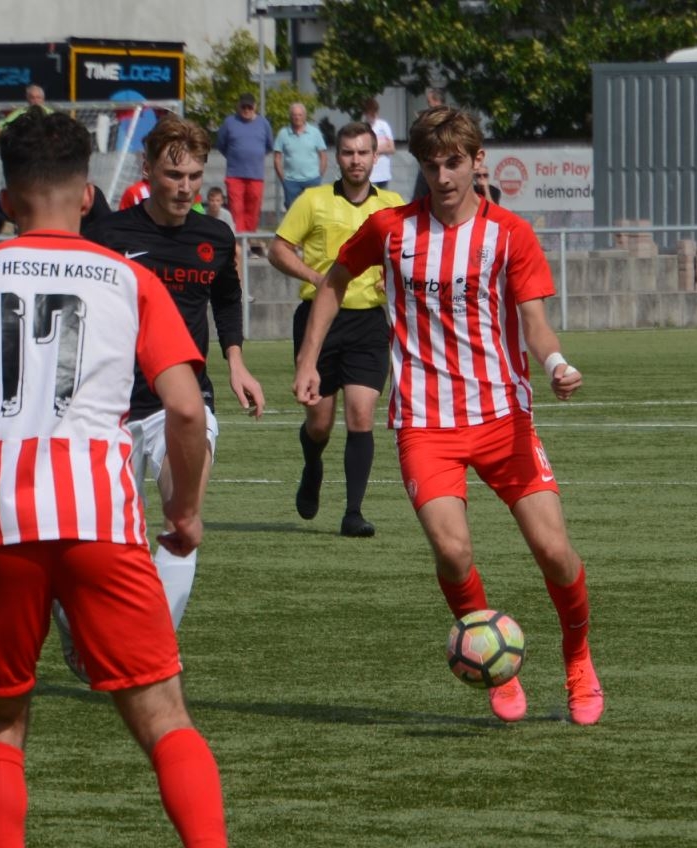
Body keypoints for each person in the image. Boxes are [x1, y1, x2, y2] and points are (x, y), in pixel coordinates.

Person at [0, 107, 228, 847]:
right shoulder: (129, 280)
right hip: (99, 513)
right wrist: (186, 508)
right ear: (86, 196)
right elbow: (181, 409)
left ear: (6, 201)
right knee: (165, 718)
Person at [292, 106, 604, 726]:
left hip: (502, 418)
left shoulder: (509, 233)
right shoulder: (390, 229)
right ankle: (493, 654)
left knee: (555, 552)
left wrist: (557, 365)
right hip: (425, 425)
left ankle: (578, 656)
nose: (444, 175)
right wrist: (307, 361)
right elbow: (332, 282)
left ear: (477, 160)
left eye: (455, 162)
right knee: (452, 553)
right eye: (432, 164)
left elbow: (535, 323)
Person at [73, 115, 265, 651]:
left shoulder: (215, 237)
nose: (184, 188)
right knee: (97, 539)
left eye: (194, 176)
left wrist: (235, 361)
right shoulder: (108, 236)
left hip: (180, 402)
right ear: (147, 168)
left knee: (183, 520)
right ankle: (79, 625)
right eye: (173, 174)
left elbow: (226, 298)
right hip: (106, 405)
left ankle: (148, 649)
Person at [269, 121, 405, 537]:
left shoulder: (394, 205)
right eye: (348, 153)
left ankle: (353, 513)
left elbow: (408, 255)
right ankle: (313, 464)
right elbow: (277, 248)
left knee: (361, 414)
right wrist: (315, 276)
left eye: (363, 152)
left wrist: (393, 276)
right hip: (319, 322)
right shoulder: (313, 201)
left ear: (375, 156)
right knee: (320, 422)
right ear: (337, 156)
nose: (356, 160)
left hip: (368, 322)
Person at [216, 92, 273, 253]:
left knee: (253, 208)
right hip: (235, 174)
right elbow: (221, 144)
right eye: (244, 106)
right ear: (238, 106)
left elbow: (269, 146)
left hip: (256, 174)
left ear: (255, 107)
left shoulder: (264, 123)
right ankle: (240, 242)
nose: (246, 110)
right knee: (236, 208)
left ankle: (250, 238)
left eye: (249, 107)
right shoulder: (229, 122)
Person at [273, 102, 328, 210]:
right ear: (290, 116)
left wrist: (319, 176)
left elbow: (323, 156)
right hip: (291, 181)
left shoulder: (315, 132)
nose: (297, 118)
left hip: (312, 180)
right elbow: (277, 158)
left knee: (313, 210)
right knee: (292, 211)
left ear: (304, 116)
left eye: (300, 115)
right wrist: (283, 179)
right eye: (294, 115)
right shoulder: (283, 133)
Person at [411, 88, 446, 201]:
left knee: (420, 198)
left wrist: (420, 123)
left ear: (435, 101)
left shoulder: (436, 118)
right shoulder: (450, 116)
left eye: (429, 101)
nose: (428, 104)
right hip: (435, 162)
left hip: (431, 161)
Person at [362, 97, 396, 190]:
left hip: (383, 173)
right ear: (366, 113)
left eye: (375, 113)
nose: (374, 116)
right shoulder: (363, 128)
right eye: (371, 114)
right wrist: (382, 146)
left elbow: (392, 148)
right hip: (369, 174)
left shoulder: (383, 125)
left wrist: (376, 149)